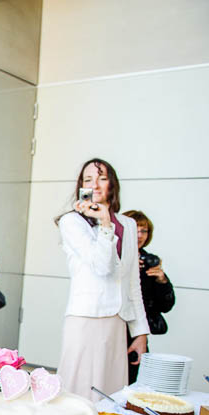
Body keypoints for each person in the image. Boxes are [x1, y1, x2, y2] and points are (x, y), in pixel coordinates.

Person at [55, 158, 149, 401]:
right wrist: (104, 223)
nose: (95, 185)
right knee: (78, 393)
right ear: (81, 187)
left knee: (111, 396)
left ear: (112, 185)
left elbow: (132, 282)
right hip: (85, 318)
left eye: (102, 178)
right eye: (88, 180)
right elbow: (102, 266)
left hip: (117, 321)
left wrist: (140, 332)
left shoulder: (128, 224)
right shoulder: (72, 222)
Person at [123, 209, 175, 383]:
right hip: (111, 329)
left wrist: (162, 280)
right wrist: (123, 268)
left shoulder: (150, 261)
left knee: (132, 382)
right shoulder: (109, 257)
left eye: (144, 231)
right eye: (135, 229)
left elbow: (165, 306)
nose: (139, 235)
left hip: (137, 333)